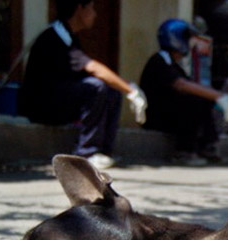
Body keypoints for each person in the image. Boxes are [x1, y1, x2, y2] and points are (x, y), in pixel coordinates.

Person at [18, 0, 147, 170]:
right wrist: (131, 90)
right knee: (96, 86)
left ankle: (103, 152)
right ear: (79, 8)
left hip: (59, 100)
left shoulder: (69, 35)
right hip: (42, 106)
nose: (95, 13)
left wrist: (121, 88)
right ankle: (87, 152)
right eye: (92, 8)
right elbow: (92, 68)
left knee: (111, 91)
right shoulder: (56, 35)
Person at [140, 18, 228, 166]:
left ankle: (207, 146)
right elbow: (180, 85)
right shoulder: (160, 60)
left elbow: (191, 85)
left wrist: (215, 97)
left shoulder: (175, 64)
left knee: (203, 99)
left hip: (170, 115)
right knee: (193, 101)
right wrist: (220, 96)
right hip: (156, 116)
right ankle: (183, 152)